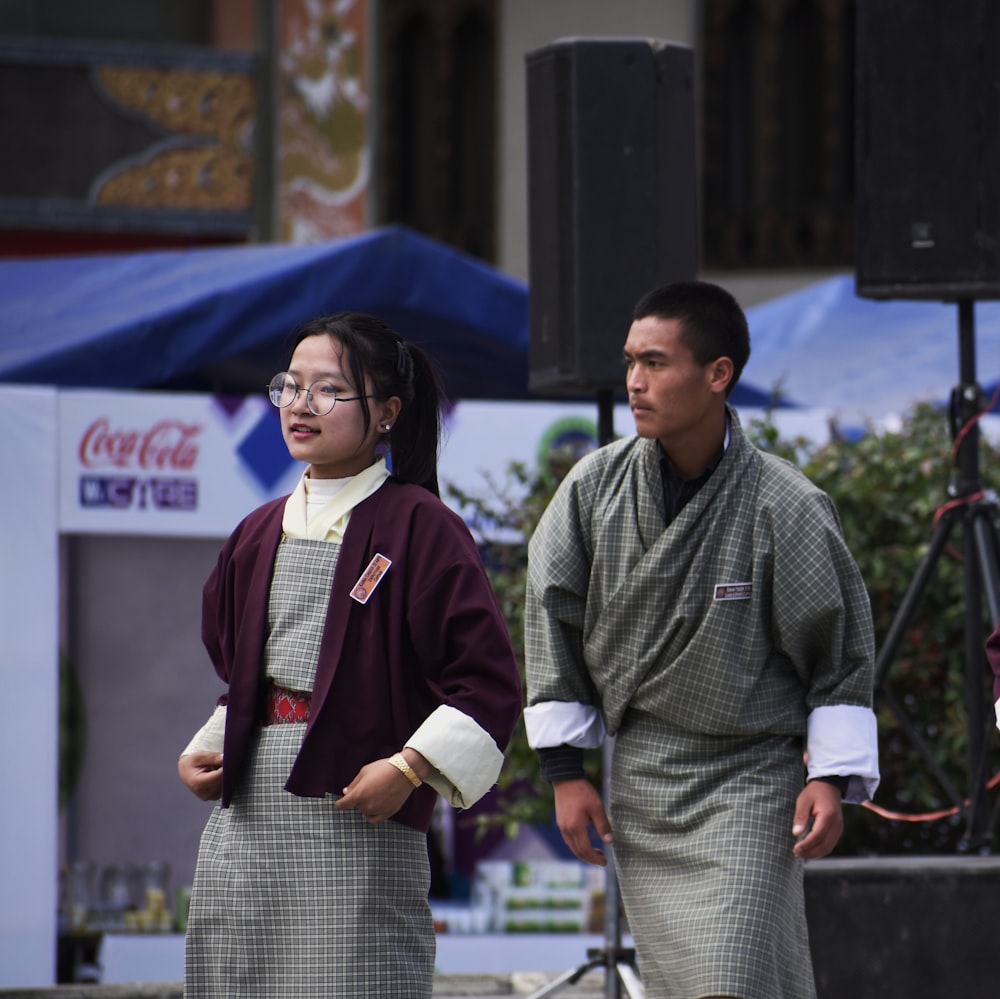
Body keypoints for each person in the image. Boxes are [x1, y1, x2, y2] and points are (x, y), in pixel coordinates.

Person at [523, 281, 879, 999]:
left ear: (718, 374)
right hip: (646, 781)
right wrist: (565, 771)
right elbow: (549, 619)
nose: (633, 381)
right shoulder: (594, 488)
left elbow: (837, 653)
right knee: (689, 985)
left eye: (655, 362)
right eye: (629, 360)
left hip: (753, 779)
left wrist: (828, 778)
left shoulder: (787, 502)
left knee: (730, 973)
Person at [177, 312, 522, 998]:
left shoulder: (423, 526)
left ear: (388, 412)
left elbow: (486, 681)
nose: (300, 404)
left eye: (329, 389)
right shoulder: (254, 532)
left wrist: (408, 767)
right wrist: (206, 744)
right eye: (291, 385)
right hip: (251, 808)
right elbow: (243, 673)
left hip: (356, 807)